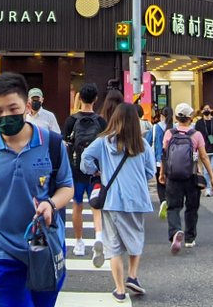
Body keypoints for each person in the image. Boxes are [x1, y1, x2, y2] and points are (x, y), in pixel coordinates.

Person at [0, 72, 74, 306]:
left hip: (45, 246)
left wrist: (51, 203)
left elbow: (66, 187)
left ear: (26, 106)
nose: (5, 116)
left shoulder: (51, 144)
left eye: (12, 108)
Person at [81, 103, 155, 303]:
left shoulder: (103, 142)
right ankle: (132, 275)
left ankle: (120, 289)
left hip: (112, 200)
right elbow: (150, 172)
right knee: (136, 238)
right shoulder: (142, 144)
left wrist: (96, 171)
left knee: (113, 246)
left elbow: (85, 158)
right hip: (137, 199)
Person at [160, 102, 213, 253]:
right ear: (190, 117)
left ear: (177, 117)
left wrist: (161, 174)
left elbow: (164, 156)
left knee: (173, 207)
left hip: (173, 177)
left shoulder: (169, 134)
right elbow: (204, 157)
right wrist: (212, 178)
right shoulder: (196, 135)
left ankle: (175, 232)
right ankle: (190, 238)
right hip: (191, 176)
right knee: (192, 208)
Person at [64, 83, 107, 263]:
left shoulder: (71, 121)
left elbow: (65, 144)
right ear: (96, 99)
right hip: (95, 171)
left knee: (77, 205)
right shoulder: (101, 121)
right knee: (96, 206)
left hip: (75, 169)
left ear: (80, 98)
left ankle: (79, 242)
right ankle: (98, 237)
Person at [195, 105, 213, 197]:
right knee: (207, 171)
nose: (207, 110)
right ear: (202, 111)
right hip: (204, 150)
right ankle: (208, 188)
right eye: (205, 109)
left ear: (211, 110)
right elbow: (196, 136)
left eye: (208, 108)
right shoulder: (199, 123)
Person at [151, 107, 172, 218]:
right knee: (171, 182)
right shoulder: (174, 128)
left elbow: (147, 142)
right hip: (173, 161)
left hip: (158, 161)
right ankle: (170, 201)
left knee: (160, 183)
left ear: (161, 115)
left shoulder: (155, 128)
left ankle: (163, 201)